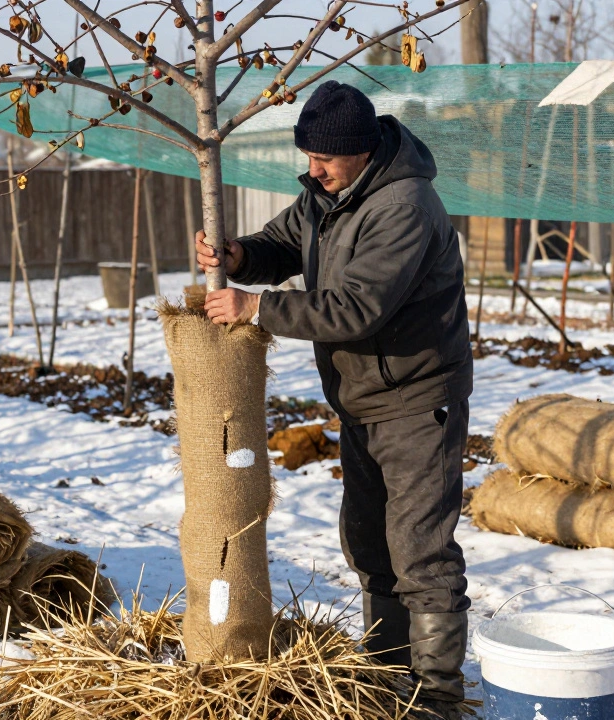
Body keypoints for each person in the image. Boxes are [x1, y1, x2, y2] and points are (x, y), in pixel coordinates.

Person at [196, 80, 472, 717]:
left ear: (363, 151)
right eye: (308, 157)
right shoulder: (328, 194)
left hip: (414, 399)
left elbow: (358, 307)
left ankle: (436, 700)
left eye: (324, 159)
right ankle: (385, 678)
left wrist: (258, 308)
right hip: (362, 401)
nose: (312, 170)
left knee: (420, 551)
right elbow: (284, 245)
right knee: (369, 544)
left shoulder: (404, 204)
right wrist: (240, 256)